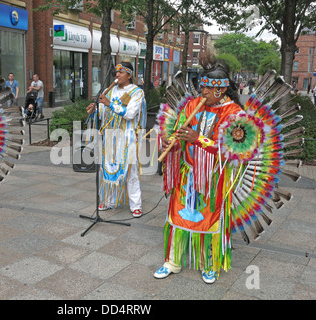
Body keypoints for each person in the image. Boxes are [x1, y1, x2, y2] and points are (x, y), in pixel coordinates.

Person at [154, 56, 243, 284]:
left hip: (213, 178)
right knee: (177, 213)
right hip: (188, 173)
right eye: (201, 85)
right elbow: (178, 131)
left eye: (206, 87)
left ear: (220, 89)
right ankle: (172, 261)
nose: (201, 90)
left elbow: (232, 150)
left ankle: (209, 264)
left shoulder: (234, 113)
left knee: (209, 219)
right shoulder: (192, 105)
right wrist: (170, 142)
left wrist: (199, 139)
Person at [86, 61, 147, 218]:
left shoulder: (136, 92)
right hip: (111, 136)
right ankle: (109, 201)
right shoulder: (110, 91)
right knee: (107, 169)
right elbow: (104, 114)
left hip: (127, 137)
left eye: (121, 72)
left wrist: (107, 103)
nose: (117, 75)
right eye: (116, 73)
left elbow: (129, 114)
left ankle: (136, 205)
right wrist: (95, 110)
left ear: (129, 74)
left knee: (131, 171)